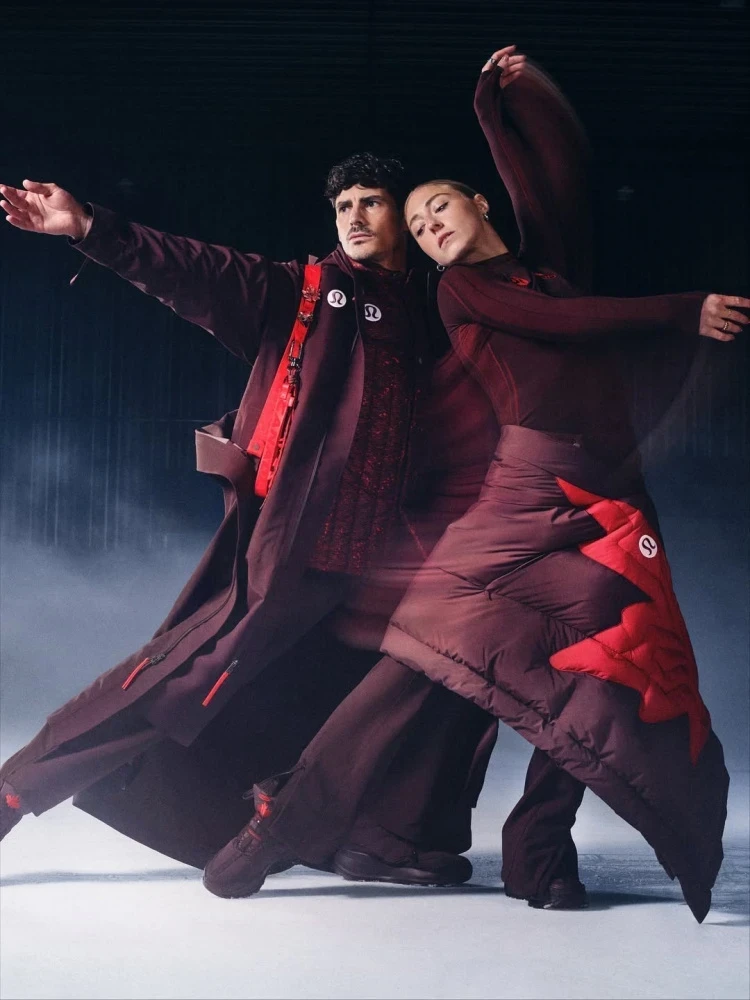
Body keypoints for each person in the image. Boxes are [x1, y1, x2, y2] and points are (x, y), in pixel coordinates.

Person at [0, 154, 498, 887]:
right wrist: (90, 228)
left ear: (404, 216)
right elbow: (194, 270)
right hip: (297, 553)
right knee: (179, 684)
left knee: (447, 675)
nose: (354, 218)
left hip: (391, 564)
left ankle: (380, 839)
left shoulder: (434, 312)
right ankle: (14, 790)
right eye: (343, 207)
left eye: (371, 203)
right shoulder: (304, 291)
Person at [383, 46, 747, 921]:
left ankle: (539, 853)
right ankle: (346, 814)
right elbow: (562, 319)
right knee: (469, 662)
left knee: (614, 673)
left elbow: (548, 191)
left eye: (439, 207)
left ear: (477, 202)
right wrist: (682, 308)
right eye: (417, 226)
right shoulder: (463, 291)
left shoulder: (541, 262)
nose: (429, 228)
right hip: (530, 497)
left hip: (616, 498)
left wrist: (494, 105)